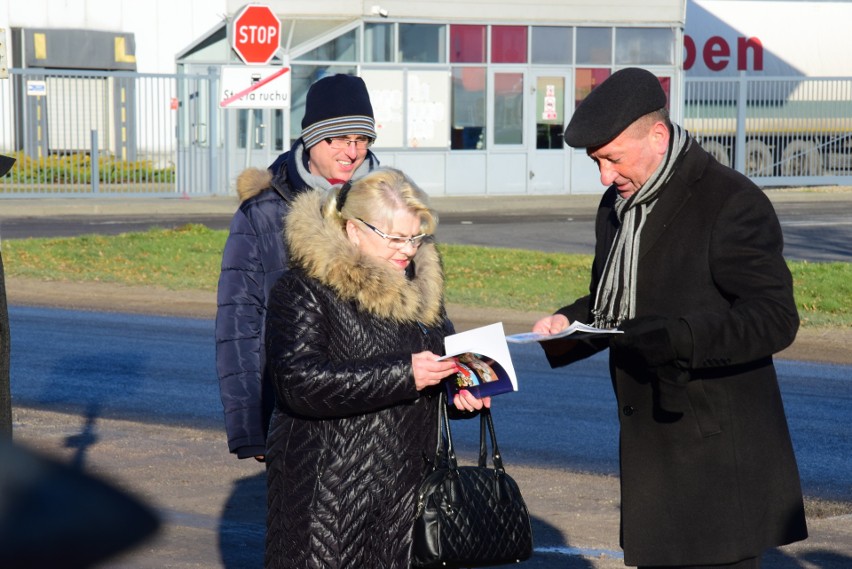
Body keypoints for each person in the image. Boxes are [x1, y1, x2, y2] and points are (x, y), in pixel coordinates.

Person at [533, 67, 807, 569]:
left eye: (612, 158)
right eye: (596, 162)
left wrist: (680, 338)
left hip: (716, 460)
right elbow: (614, 302)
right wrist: (567, 325)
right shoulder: (618, 204)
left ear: (657, 136)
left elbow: (774, 317)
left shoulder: (729, 201)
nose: (604, 176)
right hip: (654, 458)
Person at [263, 167, 487, 568]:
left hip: (407, 493)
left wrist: (460, 392)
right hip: (328, 494)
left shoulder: (421, 292)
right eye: (396, 238)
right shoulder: (303, 290)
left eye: (416, 237)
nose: (407, 250)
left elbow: (431, 370)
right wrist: (404, 373)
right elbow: (297, 382)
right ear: (353, 230)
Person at [215, 74, 380, 461]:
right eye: (337, 138)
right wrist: (250, 424)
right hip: (299, 412)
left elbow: (421, 302)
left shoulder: (389, 201)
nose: (352, 151)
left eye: (361, 139)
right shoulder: (265, 210)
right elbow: (240, 322)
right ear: (311, 137)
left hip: (383, 406)